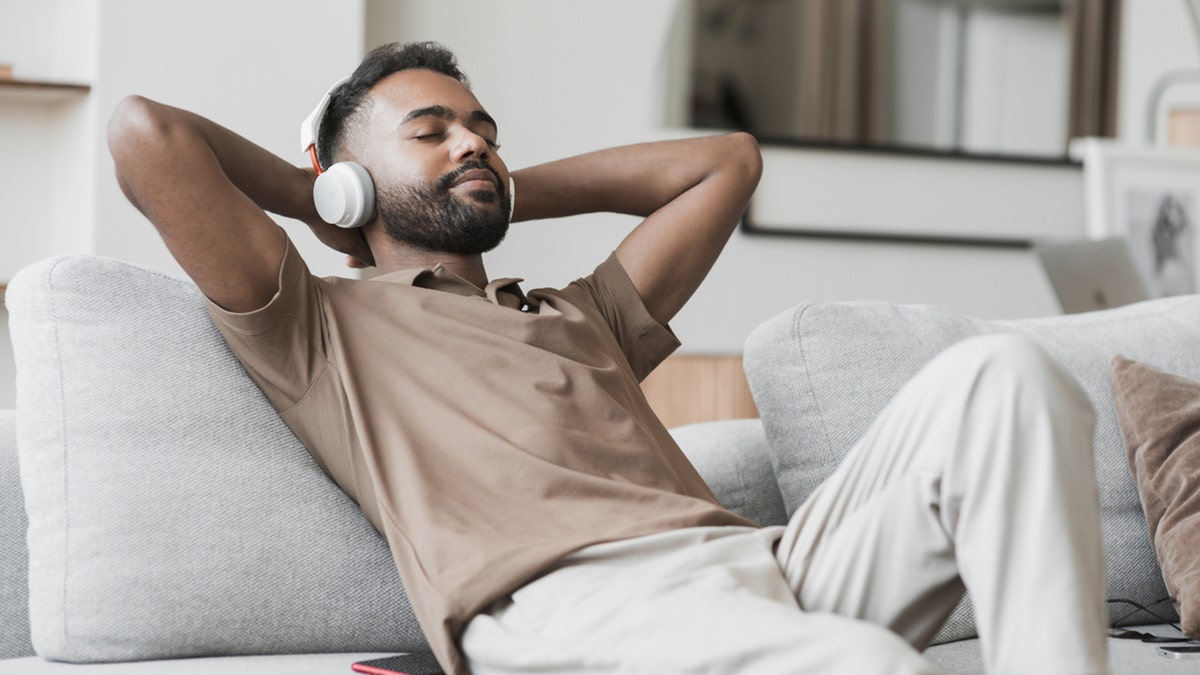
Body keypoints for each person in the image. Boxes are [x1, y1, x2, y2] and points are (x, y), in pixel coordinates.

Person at [106, 41, 1109, 675]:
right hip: (565, 600)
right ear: (348, 181)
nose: (475, 144)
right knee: (862, 664)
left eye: (485, 132)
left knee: (1005, 377)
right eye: (433, 130)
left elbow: (728, 164)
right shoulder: (321, 330)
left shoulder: (577, 314)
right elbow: (144, 133)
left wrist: (485, 182)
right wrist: (316, 191)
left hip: (760, 567)